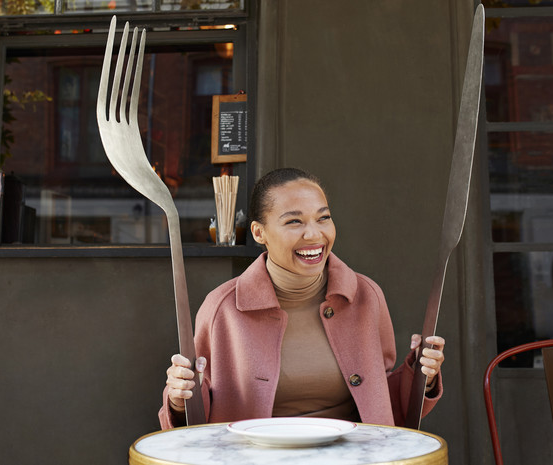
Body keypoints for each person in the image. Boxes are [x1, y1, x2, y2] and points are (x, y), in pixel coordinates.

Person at [159, 168, 445, 429]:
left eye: (324, 218)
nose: (314, 234)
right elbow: (198, 411)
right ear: (260, 233)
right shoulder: (222, 309)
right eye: (294, 221)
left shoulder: (365, 296)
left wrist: (421, 374)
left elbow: (382, 401)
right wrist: (178, 397)